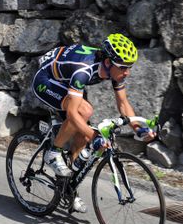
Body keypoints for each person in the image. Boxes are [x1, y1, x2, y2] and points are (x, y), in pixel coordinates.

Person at [32, 33, 156, 213]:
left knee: (83, 133)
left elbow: (123, 103)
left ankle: (68, 189)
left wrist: (138, 129)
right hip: (46, 81)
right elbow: (74, 112)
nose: (126, 72)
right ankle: (53, 153)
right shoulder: (84, 70)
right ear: (108, 62)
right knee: (84, 111)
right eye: (123, 67)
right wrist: (94, 137)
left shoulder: (114, 69)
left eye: (129, 67)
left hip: (66, 81)